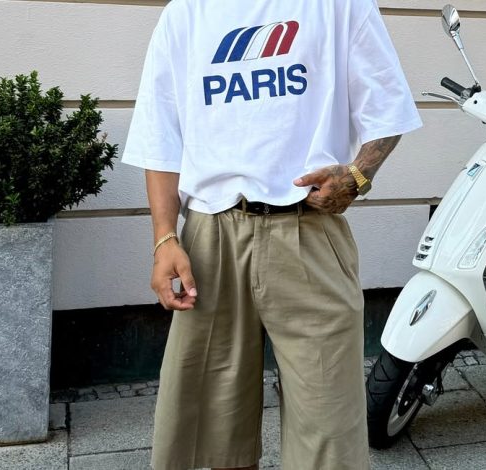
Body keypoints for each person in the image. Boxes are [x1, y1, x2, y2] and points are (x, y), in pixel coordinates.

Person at [121, 0, 422, 468]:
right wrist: (165, 238)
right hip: (211, 236)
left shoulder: (339, 5)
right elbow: (161, 135)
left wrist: (357, 176)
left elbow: (388, 108)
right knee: (213, 418)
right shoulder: (188, 12)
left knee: (328, 420)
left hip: (308, 229)